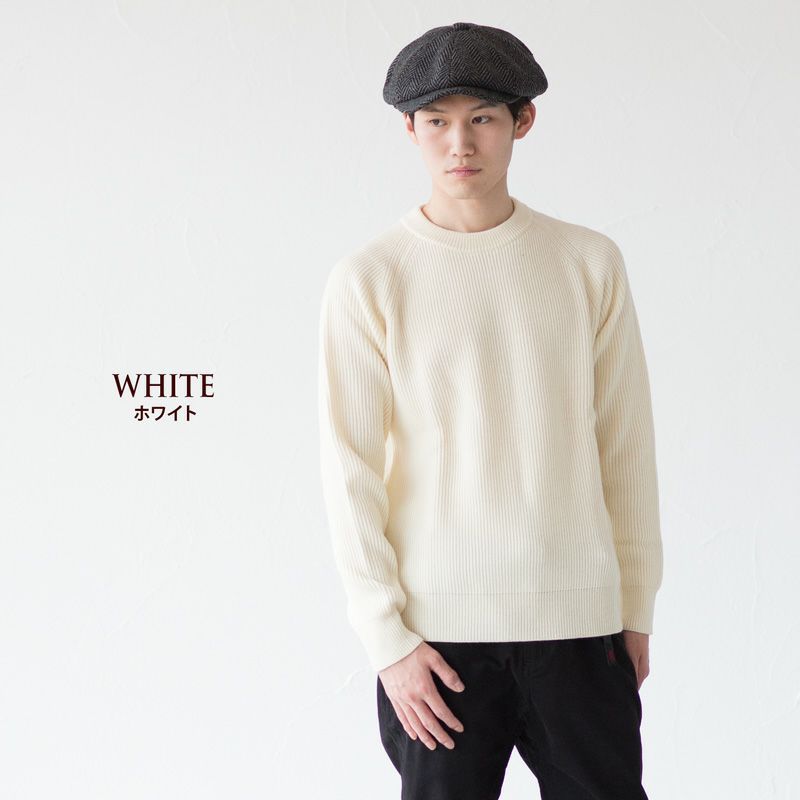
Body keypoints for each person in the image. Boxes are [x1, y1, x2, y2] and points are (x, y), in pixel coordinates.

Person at [317, 20, 663, 800]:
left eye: (482, 118)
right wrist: (387, 641)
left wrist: (633, 605)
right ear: (409, 130)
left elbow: (626, 446)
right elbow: (349, 471)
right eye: (436, 121)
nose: (459, 143)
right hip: (437, 643)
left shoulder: (587, 262)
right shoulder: (370, 278)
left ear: (522, 121)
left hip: (581, 630)